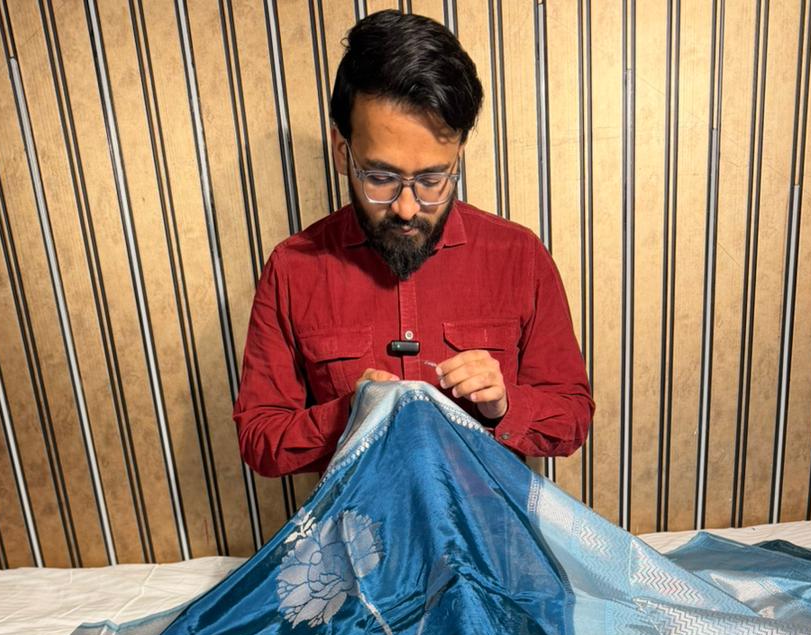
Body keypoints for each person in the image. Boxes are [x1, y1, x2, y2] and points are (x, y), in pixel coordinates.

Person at [233, 10, 594, 477]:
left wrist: (505, 404)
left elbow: (572, 418)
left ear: (457, 154)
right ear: (342, 151)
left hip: (490, 518)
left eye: (432, 179)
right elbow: (259, 439)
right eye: (380, 177)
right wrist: (348, 414)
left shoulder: (518, 256)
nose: (406, 208)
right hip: (361, 521)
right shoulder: (292, 269)